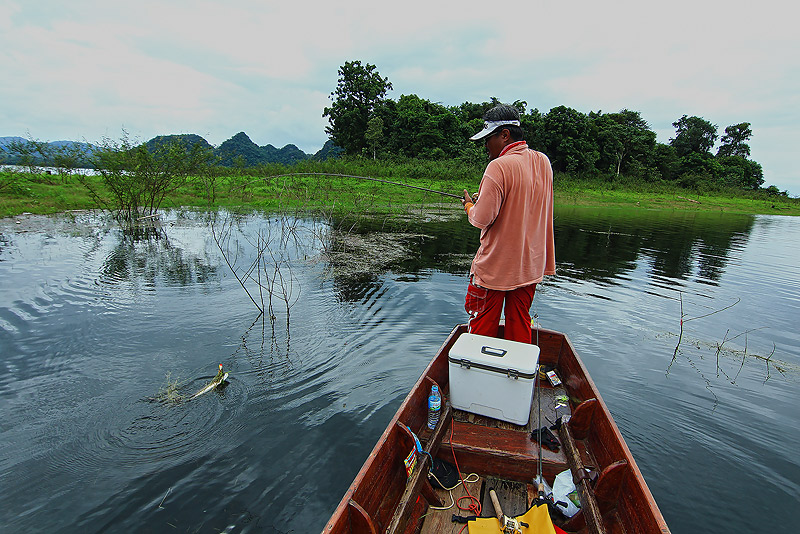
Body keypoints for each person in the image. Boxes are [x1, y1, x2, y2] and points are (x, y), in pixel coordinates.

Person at [461, 104, 555, 343]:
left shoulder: (498, 166)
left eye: (489, 138)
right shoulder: (543, 162)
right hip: (529, 267)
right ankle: (518, 372)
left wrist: (470, 206)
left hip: (496, 269)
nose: (486, 145)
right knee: (519, 322)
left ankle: (480, 374)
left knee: (482, 325)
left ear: (505, 135)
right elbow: (520, 204)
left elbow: (482, 219)